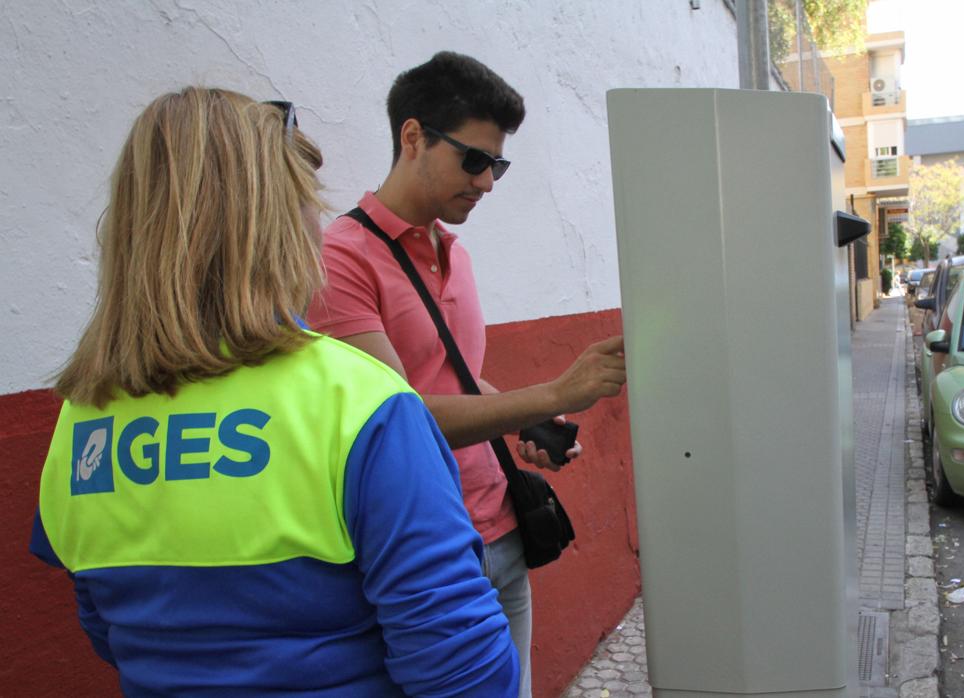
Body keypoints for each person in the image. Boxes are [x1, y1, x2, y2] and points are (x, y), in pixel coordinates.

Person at [29, 87, 518, 696]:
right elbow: (463, 666)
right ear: (278, 225)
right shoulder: (361, 401)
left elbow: (106, 625)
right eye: (308, 203)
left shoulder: (82, 421)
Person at [307, 51, 626, 697]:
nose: (486, 182)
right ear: (413, 136)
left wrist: (526, 417)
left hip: (503, 524)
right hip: (432, 548)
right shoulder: (340, 259)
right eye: (474, 160)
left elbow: (454, 379)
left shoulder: (451, 251)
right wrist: (559, 391)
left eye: (498, 165)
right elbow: (395, 423)